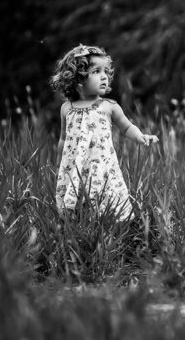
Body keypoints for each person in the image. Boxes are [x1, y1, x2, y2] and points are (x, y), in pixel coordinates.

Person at [50, 44, 158, 220]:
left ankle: (107, 225)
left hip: (101, 166)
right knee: (77, 195)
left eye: (106, 72)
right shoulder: (67, 108)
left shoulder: (108, 106)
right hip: (75, 165)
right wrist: (59, 161)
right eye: (96, 71)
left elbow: (127, 127)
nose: (104, 77)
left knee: (104, 196)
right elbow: (63, 138)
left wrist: (140, 136)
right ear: (78, 78)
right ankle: (78, 225)